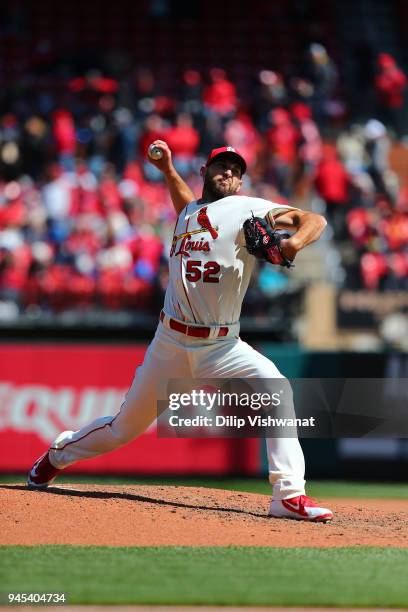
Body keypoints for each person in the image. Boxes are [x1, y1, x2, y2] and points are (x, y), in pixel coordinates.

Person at [27, 142, 333, 522]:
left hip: (223, 345)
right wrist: (169, 169)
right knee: (123, 429)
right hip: (170, 344)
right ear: (205, 170)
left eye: (236, 170)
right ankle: (57, 455)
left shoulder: (248, 208)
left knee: (276, 386)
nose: (229, 174)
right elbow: (188, 205)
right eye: (222, 166)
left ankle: (288, 495)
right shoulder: (190, 211)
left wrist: (292, 245)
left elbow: (314, 220)